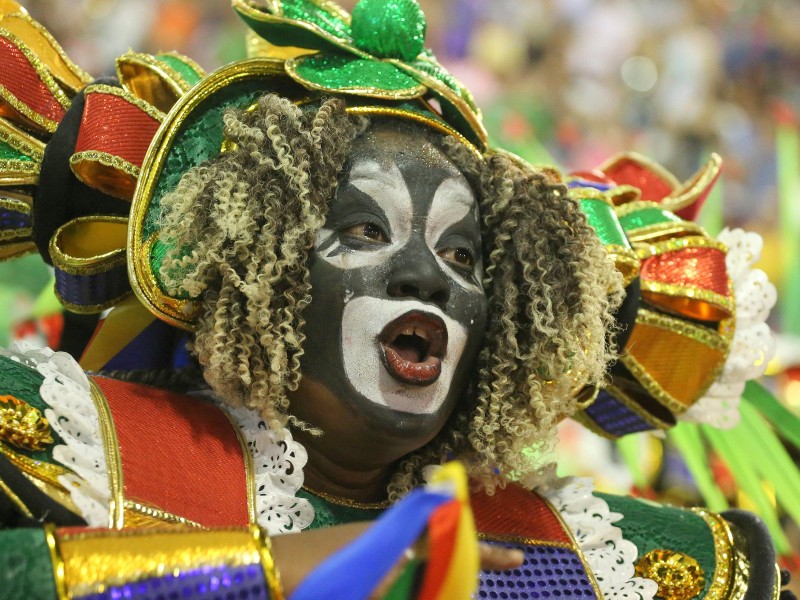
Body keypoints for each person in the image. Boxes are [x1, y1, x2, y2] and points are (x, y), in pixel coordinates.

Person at [0, 0, 788, 598]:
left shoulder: (581, 558)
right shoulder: (74, 444)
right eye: (366, 233)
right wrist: (274, 573)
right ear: (262, 273)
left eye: (461, 254)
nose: (428, 279)